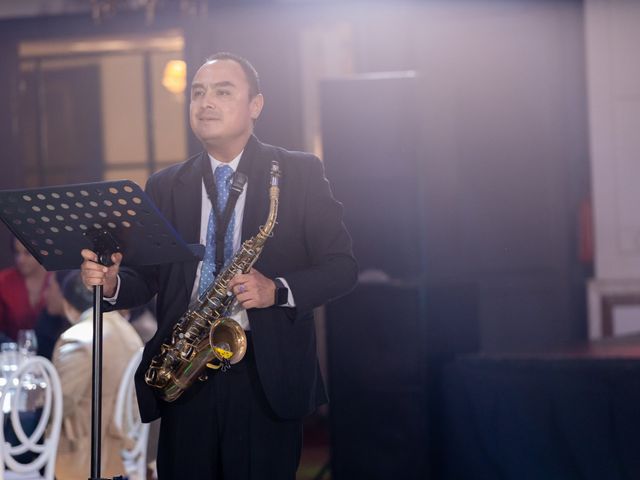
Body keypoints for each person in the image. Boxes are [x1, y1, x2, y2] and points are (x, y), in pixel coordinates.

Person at [80, 52, 357, 479]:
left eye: (222, 92)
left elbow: (341, 268)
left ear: (255, 106)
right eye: (197, 93)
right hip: (183, 371)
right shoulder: (165, 184)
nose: (205, 102)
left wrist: (276, 290)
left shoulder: (299, 172)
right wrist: (114, 283)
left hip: (263, 376)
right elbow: (148, 278)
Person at [52, 271, 143, 480]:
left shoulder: (77, 338)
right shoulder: (128, 330)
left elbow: (59, 404)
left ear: (67, 305)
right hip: (124, 454)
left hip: (87, 457)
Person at [0, 237, 51, 343]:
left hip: (52, 353)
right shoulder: (3, 281)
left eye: (27, 253)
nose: (20, 259)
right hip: (12, 352)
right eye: (17, 252)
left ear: (43, 252)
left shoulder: (55, 280)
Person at [34, 270, 71, 360]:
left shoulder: (81, 330)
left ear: (63, 291)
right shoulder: (48, 318)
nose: (45, 294)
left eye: (49, 287)